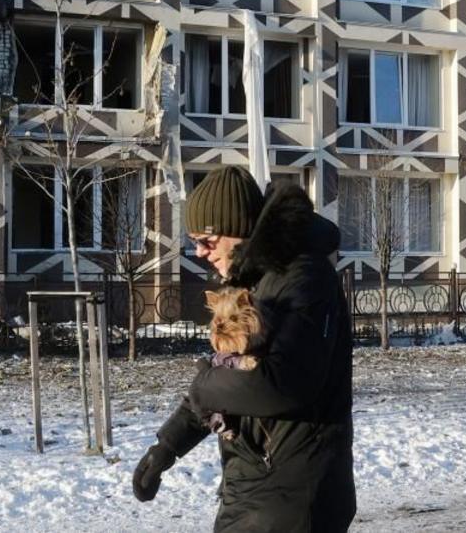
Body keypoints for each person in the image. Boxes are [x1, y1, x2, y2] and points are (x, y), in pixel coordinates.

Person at [131, 166, 356, 531]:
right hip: (255, 492)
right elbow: (230, 376)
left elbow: (279, 385)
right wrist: (167, 446)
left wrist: (205, 384)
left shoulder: (303, 278)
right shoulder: (257, 281)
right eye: (194, 242)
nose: (201, 252)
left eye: (208, 239)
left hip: (293, 500)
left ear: (238, 230)